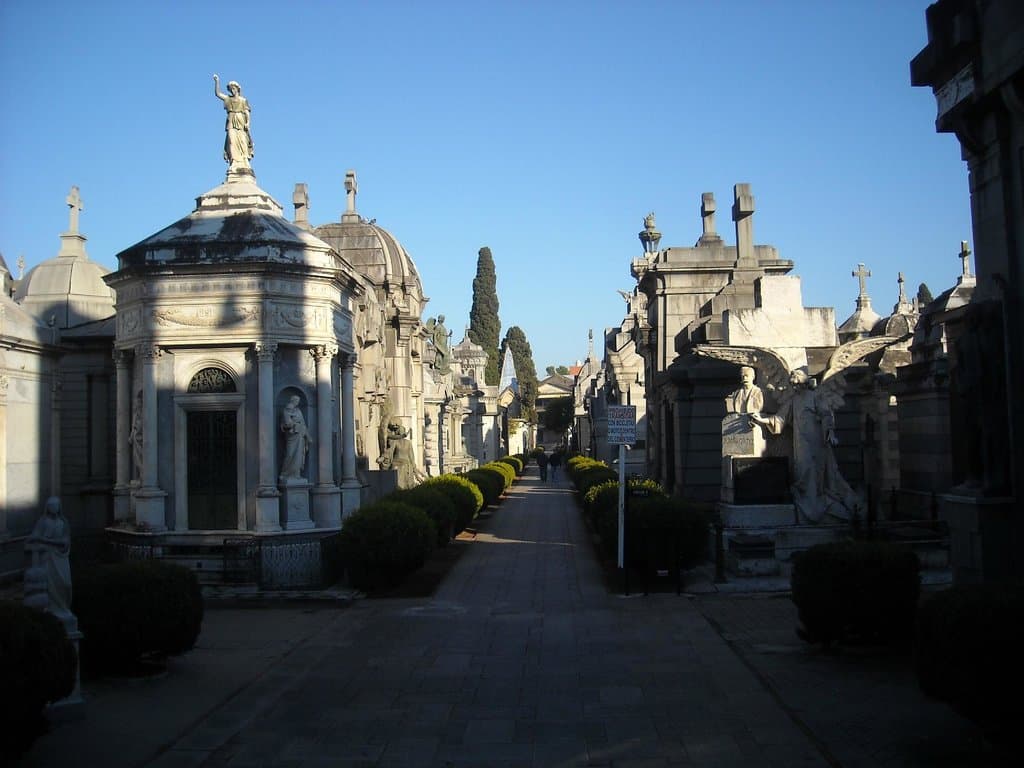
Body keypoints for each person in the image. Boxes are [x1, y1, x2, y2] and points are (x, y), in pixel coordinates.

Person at [749, 371, 857, 523]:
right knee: (803, 471)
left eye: (796, 384)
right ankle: (809, 504)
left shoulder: (815, 397)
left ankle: (817, 502)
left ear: (803, 383)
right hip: (801, 443)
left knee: (817, 472)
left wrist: (830, 432)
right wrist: (762, 419)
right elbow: (780, 419)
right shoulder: (794, 401)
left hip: (816, 441)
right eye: (792, 385)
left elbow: (826, 415)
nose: (794, 387)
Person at [24, 497, 73, 624]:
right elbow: (33, 538)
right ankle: (52, 609)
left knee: (65, 584)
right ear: (48, 508)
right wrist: (37, 540)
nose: (53, 508)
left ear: (59, 507)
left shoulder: (63, 522)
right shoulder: (43, 521)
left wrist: (44, 540)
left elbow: (65, 543)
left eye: (55, 505)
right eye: (51, 506)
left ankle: (63, 608)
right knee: (49, 585)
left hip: (60, 558)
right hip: (47, 558)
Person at [213, 74, 254, 169]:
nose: (232, 90)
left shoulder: (243, 100)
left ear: (237, 89)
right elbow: (218, 94)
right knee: (231, 140)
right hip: (231, 121)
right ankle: (234, 161)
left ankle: (244, 159)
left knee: (242, 141)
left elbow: (247, 112)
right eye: (231, 89)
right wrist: (217, 82)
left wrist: (248, 123)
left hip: (240, 121)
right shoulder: (228, 99)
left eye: (234, 88)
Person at [280, 395, 310, 481]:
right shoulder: (287, 410)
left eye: (298, 401)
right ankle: (285, 473)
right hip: (292, 435)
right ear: (292, 400)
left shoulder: (298, 411)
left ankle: (296, 474)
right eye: (296, 400)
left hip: (300, 435)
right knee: (290, 454)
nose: (298, 402)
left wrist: (307, 435)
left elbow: (303, 423)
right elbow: (286, 423)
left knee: (299, 455)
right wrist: (294, 424)